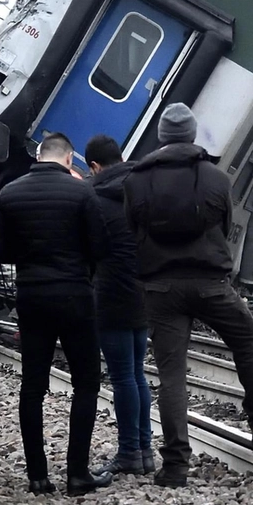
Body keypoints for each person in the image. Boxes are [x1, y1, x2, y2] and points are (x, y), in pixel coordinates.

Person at [125, 103, 253, 488]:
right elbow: (226, 227)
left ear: (163, 137)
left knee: (171, 374)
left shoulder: (136, 180)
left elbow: (132, 231)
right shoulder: (216, 179)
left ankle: (176, 466)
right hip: (210, 284)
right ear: (192, 135)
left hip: (161, 288)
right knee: (248, 341)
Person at [0, 132, 112, 497]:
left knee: (33, 385)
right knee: (86, 384)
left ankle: (37, 476)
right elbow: (101, 247)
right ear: (69, 158)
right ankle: (77, 474)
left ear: (39, 155)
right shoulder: (83, 192)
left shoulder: (11, 192)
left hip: (31, 297)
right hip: (75, 296)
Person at [84, 134, 154, 477]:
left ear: (95, 166)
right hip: (144, 289)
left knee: (123, 376)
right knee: (137, 373)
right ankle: (145, 451)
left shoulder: (96, 198)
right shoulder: (144, 188)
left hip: (111, 292)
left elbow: (90, 248)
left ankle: (129, 451)